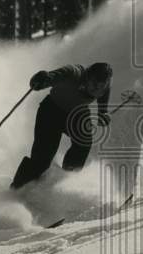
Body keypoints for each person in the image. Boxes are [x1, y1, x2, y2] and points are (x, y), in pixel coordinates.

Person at [10, 62, 113, 190]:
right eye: (93, 83)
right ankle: (17, 188)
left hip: (76, 113)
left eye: (101, 86)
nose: (96, 89)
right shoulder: (74, 73)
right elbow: (54, 76)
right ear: (87, 76)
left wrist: (102, 112)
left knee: (84, 141)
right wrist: (42, 80)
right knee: (42, 159)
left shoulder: (104, 87)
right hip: (52, 111)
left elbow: (103, 97)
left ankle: (66, 180)